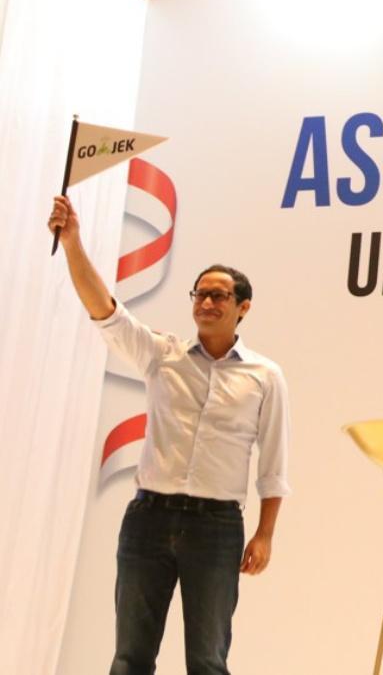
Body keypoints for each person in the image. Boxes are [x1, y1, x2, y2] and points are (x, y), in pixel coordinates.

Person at [48, 195, 291, 675]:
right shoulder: (163, 355)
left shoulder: (265, 376)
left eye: (219, 295)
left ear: (243, 307)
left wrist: (265, 534)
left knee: (208, 661)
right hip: (148, 519)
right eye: (200, 294)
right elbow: (105, 311)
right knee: (130, 658)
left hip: (217, 526)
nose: (206, 303)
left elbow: (273, 466)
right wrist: (73, 242)